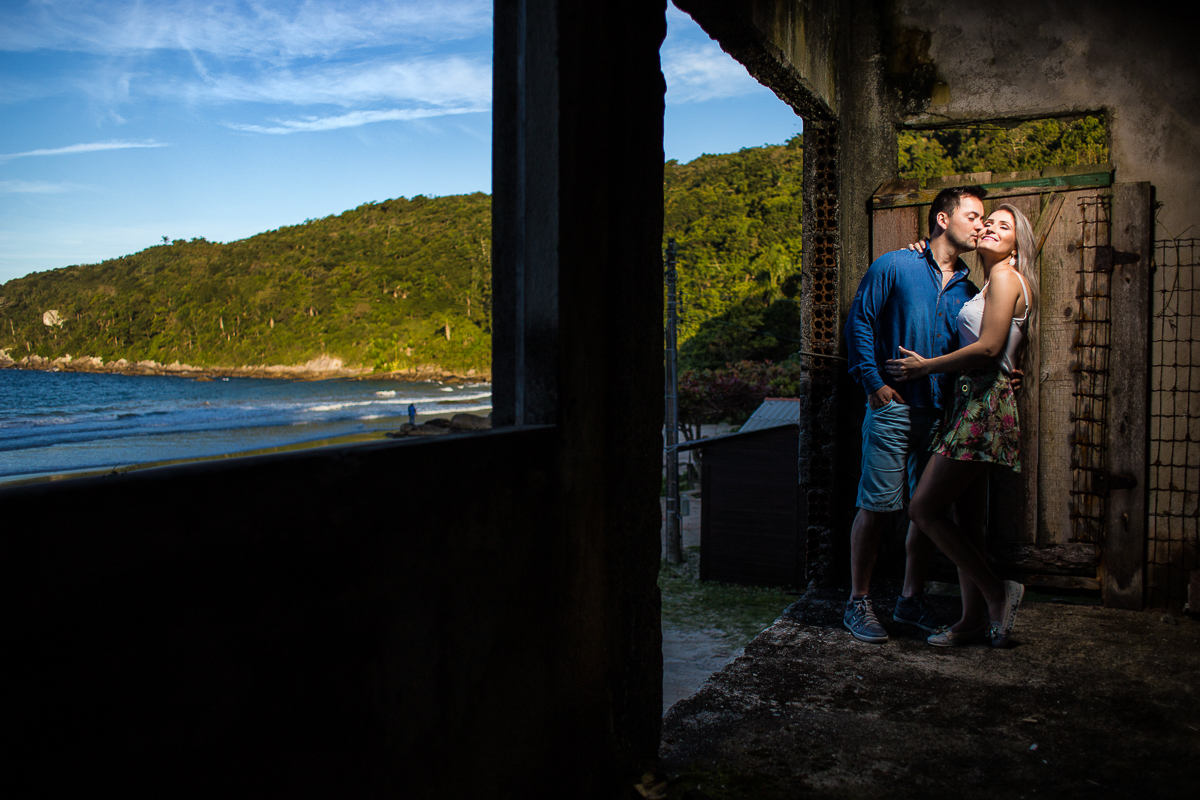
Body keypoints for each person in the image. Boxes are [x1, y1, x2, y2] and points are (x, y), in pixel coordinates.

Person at [886, 203, 1039, 648]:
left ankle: (997, 594)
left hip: (982, 407)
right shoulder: (989, 283)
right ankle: (972, 620)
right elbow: (1010, 346)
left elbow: (991, 347)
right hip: (969, 401)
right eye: (988, 223)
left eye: (1003, 226)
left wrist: (925, 367)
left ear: (1017, 243)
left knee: (922, 509)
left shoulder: (1008, 278)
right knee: (967, 522)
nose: (990, 228)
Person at [841, 186, 985, 643]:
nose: (980, 224)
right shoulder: (895, 265)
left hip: (944, 414)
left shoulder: (971, 288)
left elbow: (979, 349)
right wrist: (873, 384)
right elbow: (860, 320)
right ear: (944, 219)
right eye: (973, 215)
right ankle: (857, 602)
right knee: (876, 504)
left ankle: (909, 599)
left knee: (927, 511)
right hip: (893, 407)